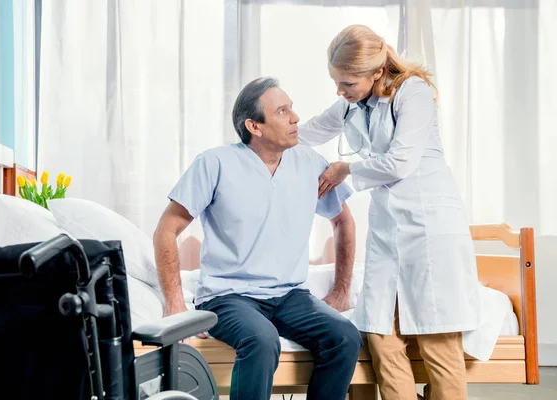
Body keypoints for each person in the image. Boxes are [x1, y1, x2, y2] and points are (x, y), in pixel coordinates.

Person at [298, 24, 480, 400]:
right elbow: (310, 131)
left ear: (376, 72)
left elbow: (399, 162)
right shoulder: (351, 103)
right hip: (388, 230)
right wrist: (257, 137)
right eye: (336, 82)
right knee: (380, 335)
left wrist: (344, 169)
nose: (339, 91)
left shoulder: (413, 93)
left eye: (346, 83)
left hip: (429, 226)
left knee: (437, 339)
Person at [153, 77, 362, 400]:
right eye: (282, 111)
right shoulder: (215, 163)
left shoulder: (308, 162)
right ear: (255, 126)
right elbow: (167, 230)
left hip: (290, 295)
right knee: (263, 340)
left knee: (345, 336)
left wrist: (341, 290)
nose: (295, 118)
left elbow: (343, 220)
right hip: (228, 296)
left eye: (292, 108)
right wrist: (175, 302)